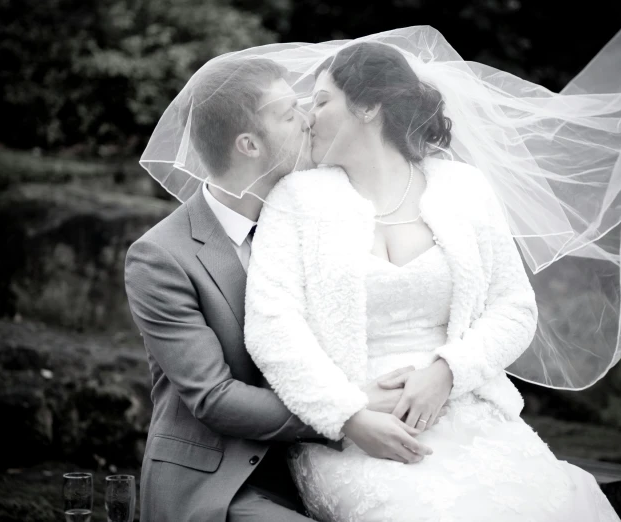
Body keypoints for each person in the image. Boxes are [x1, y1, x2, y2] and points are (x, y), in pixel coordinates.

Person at [243, 42, 621, 521]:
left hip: (470, 416)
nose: (308, 118)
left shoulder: (464, 188)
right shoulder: (295, 199)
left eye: (320, 101)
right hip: (356, 436)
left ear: (367, 106)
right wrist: (347, 418)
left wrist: (447, 372)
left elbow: (514, 307)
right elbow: (271, 326)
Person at [125, 57, 444, 522]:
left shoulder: (322, 209)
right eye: (289, 113)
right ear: (249, 144)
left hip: (329, 459)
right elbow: (215, 397)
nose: (308, 117)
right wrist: (346, 411)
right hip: (228, 480)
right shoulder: (161, 257)